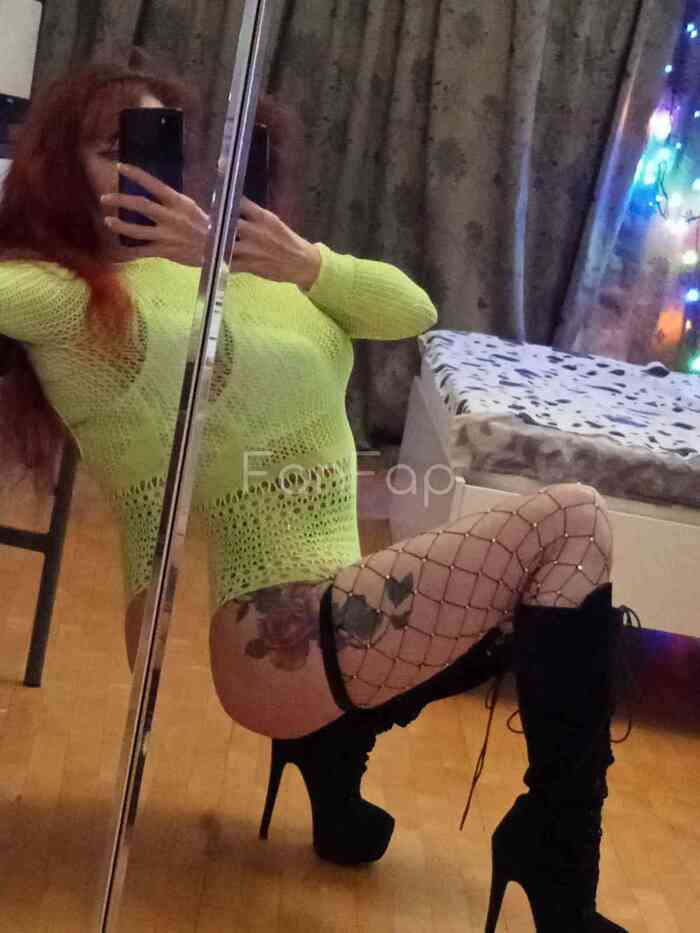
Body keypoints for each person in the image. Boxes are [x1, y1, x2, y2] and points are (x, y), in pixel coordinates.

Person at [0, 56, 636, 932]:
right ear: (59, 166)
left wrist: (306, 264)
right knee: (572, 519)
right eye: (114, 148)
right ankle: (556, 863)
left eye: (157, 145)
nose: (140, 171)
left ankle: (336, 758)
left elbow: (413, 310)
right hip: (276, 632)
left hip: (338, 607)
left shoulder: (241, 273)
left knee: (550, 595)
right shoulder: (71, 299)